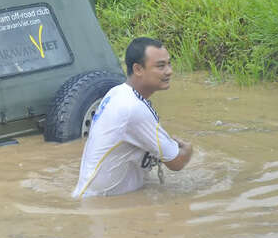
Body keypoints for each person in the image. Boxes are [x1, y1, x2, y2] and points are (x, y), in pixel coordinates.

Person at [72, 37, 193, 198]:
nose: (169, 71)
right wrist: (188, 151)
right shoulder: (133, 108)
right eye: (160, 66)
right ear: (138, 69)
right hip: (102, 206)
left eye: (169, 64)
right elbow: (176, 162)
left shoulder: (117, 92)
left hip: (94, 198)